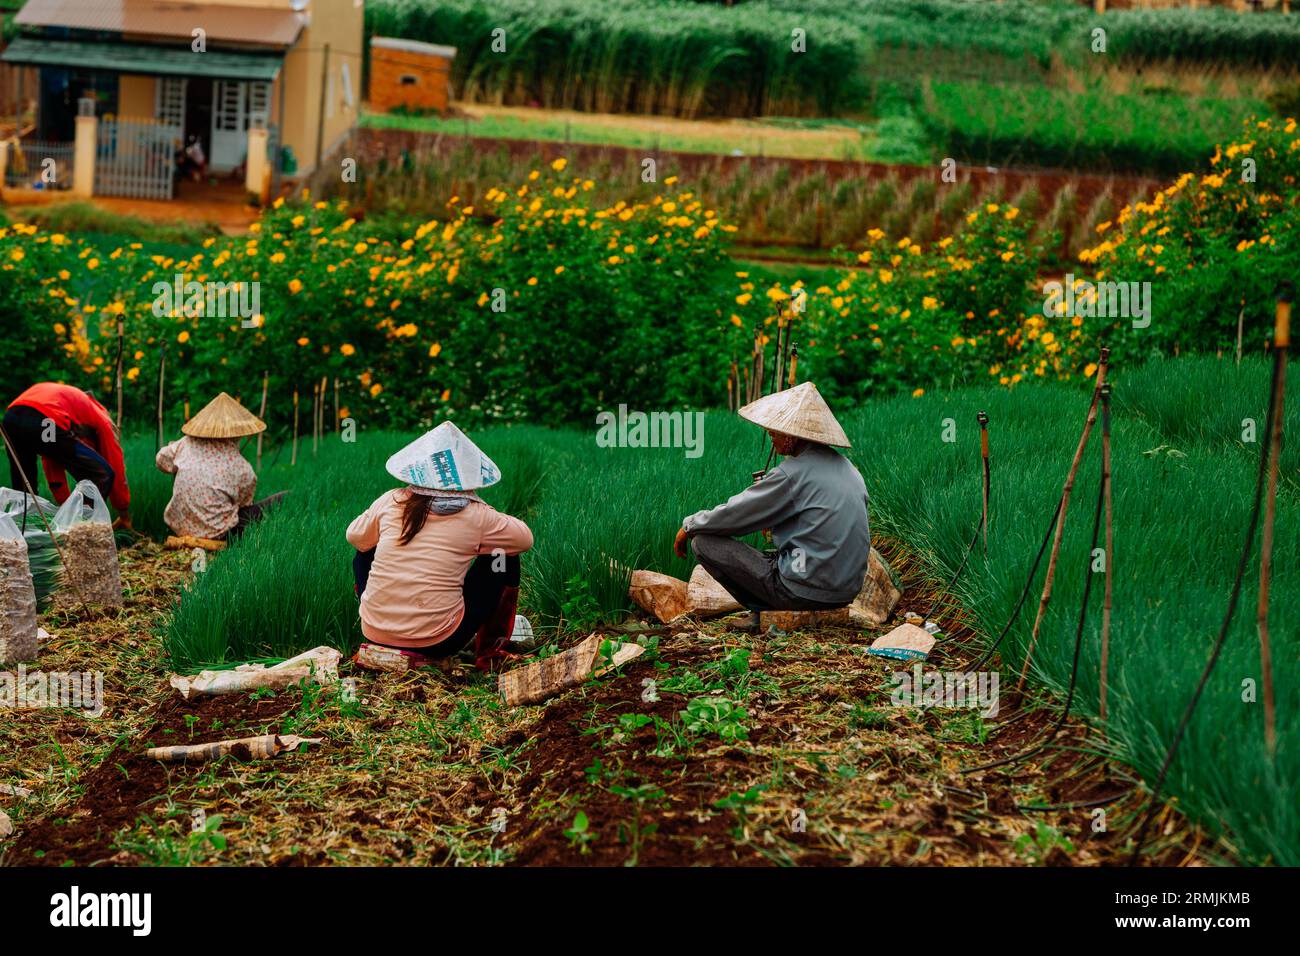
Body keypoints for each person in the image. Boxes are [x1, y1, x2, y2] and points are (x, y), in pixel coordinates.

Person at [674, 381, 870, 629]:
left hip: (802, 591)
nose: (771, 438)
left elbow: (737, 514)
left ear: (792, 436)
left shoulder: (792, 473)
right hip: (844, 592)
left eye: (775, 433)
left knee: (704, 542)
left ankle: (761, 612)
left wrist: (690, 524)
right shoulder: (850, 470)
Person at [348, 422, 534, 672]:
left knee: (365, 546)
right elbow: (523, 539)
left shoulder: (392, 500)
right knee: (503, 555)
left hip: (374, 632)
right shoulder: (477, 516)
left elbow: (355, 536)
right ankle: (490, 652)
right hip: (438, 641)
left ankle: (385, 619)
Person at [155, 392, 285, 540]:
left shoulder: (185, 444)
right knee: (285, 498)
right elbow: (243, 505)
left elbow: (161, 459)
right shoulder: (242, 468)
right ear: (238, 434)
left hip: (180, 529)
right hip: (221, 535)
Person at [3, 382, 131, 528]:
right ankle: (80, 531)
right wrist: (123, 512)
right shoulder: (102, 418)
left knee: (24, 490)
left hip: (11, 419)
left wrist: (64, 506)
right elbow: (115, 462)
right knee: (103, 474)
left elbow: (51, 454)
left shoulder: (69, 404)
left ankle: (22, 539)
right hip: (45, 418)